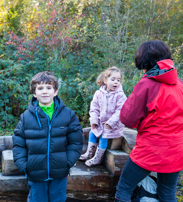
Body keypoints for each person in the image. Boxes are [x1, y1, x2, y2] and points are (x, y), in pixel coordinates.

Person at [114, 40, 183, 202]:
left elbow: (127, 118)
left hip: (150, 151)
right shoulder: (182, 86)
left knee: (123, 190)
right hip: (176, 151)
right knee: (167, 194)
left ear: (143, 60)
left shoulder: (147, 85)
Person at [12, 71, 83, 202]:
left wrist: (67, 162)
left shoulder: (68, 115)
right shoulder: (26, 117)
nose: (45, 91)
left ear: (55, 91)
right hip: (35, 172)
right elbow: (18, 142)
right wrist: (24, 165)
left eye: (48, 87)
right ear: (34, 93)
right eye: (40, 88)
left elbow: (76, 142)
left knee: (58, 199)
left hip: (59, 172)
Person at [79, 66, 127, 167]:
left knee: (104, 136)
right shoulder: (98, 93)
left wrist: (111, 123)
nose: (116, 82)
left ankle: (97, 158)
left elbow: (120, 111)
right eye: (113, 79)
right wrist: (94, 120)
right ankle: (89, 153)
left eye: (118, 80)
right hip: (101, 122)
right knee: (92, 132)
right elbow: (94, 108)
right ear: (105, 80)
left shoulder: (120, 95)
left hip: (113, 125)